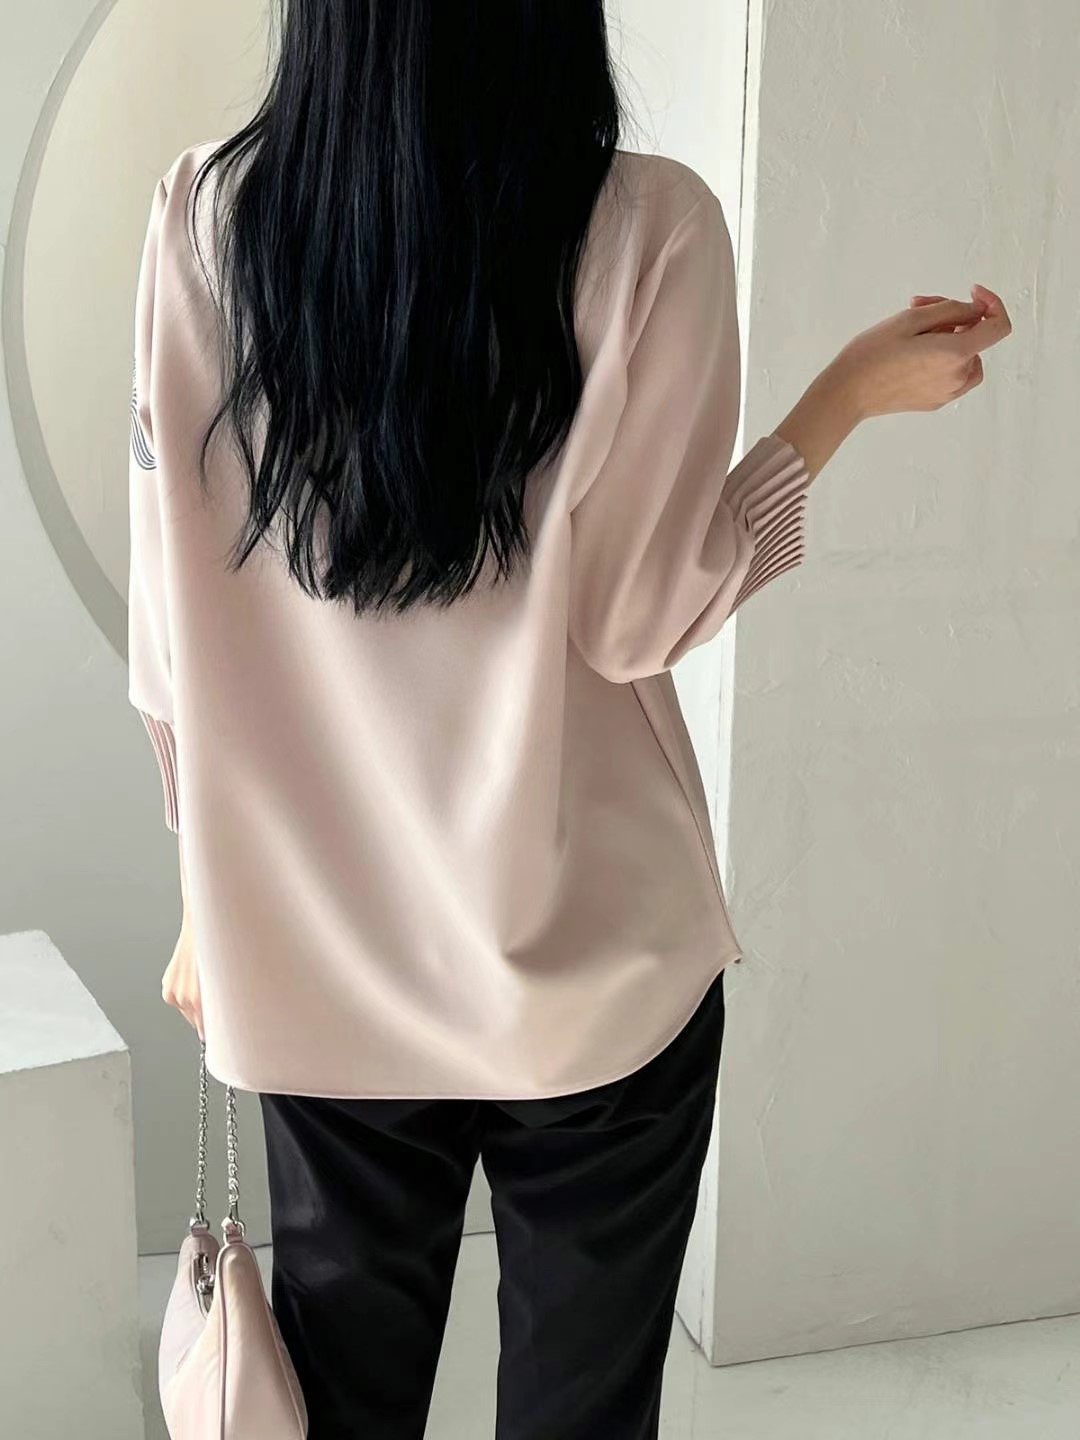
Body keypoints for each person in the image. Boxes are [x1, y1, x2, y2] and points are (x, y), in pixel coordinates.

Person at [127, 3, 1011, 1436]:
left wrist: (205, 894)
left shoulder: (201, 221)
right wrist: (840, 403)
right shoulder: (652, 228)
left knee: (340, 1404)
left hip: (322, 967)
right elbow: (641, 618)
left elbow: (173, 633)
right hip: (597, 973)